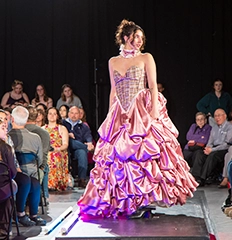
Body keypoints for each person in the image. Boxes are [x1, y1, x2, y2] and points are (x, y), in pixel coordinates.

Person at [78, 19, 198, 218]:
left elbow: (152, 85)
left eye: (142, 38)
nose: (140, 41)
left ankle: (144, 199)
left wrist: (154, 112)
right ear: (126, 38)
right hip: (120, 111)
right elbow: (113, 90)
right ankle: (127, 200)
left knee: (144, 154)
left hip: (140, 110)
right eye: (137, 37)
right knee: (119, 157)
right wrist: (110, 114)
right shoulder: (112, 61)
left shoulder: (146, 58)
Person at [9, 106, 46, 226]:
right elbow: (40, 160)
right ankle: (33, 214)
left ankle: (22, 213)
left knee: (32, 180)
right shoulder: (35, 138)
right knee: (35, 179)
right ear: (26, 120)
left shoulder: (7, 136)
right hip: (28, 172)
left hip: (13, 172)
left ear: (12, 119)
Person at [191, 108, 232, 186]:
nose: (217, 118)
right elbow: (210, 141)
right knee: (199, 153)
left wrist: (212, 150)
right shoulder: (214, 128)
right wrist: (208, 148)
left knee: (213, 155)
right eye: (215, 116)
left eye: (219, 115)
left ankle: (202, 178)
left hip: (223, 149)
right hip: (213, 148)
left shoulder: (230, 127)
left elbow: (227, 144)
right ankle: (195, 177)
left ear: (224, 116)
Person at [62, 106, 94, 188]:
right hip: (65, 146)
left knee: (82, 153)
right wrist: (67, 134)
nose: (74, 115)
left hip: (77, 148)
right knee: (71, 141)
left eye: (76, 113)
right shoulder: (62, 123)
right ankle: (85, 147)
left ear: (80, 115)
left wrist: (90, 143)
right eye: (72, 113)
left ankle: (82, 179)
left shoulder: (83, 126)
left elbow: (88, 136)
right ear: (68, 114)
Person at [25, 106, 51, 201]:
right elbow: (44, 154)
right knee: (45, 167)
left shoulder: (14, 132)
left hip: (18, 168)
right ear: (36, 117)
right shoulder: (44, 133)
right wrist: (41, 167)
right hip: (36, 167)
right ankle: (42, 198)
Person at [42, 107, 69, 191]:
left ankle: (55, 183)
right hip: (46, 151)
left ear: (57, 116)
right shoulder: (42, 129)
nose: (52, 116)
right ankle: (47, 183)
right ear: (47, 115)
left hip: (58, 151)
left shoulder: (62, 128)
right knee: (47, 155)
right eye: (50, 113)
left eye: (54, 114)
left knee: (54, 156)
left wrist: (57, 149)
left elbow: (65, 144)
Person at [0, 118, 17, 237]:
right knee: (12, 186)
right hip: (2, 189)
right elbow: (12, 172)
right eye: (3, 128)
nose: (6, 130)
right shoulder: (6, 148)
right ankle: (4, 229)